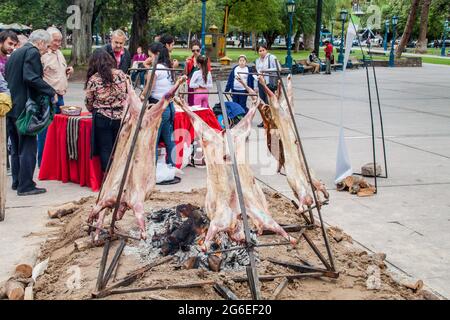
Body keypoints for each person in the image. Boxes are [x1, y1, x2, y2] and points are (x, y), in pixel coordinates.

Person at [5, 30, 56, 196]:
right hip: (24, 109)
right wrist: (50, 91)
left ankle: (17, 182)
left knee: (15, 147)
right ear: (40, 43)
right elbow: (31, 77)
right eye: (46, 46)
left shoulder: (15, 53)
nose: (46, 50)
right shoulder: (32, 52)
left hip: (12, 107)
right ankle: (26, 185)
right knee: (28, 146)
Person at [85, 49, 129, 173]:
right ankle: (119, 175)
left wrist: (93, 107)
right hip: (119, 115)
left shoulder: (94, 79)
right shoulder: (121, 74)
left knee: (105, 149)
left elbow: (89, 101)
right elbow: (127, 93)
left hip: (102, 116)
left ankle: (107, 176)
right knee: (119, 147)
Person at [37, 27, 74, 166]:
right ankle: (42, 162)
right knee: (45, 131)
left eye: (60, 40)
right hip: (48, 97)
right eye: (55, 40)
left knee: (59, 130)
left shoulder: (59, 53)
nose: (58, 43)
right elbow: (38, 78)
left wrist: (68, 71)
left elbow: (59, 74)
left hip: (61, 96)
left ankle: (55, 161)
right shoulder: (42, 55)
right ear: (48, 40)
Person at [140, 42, 177, 167]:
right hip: (169, 106)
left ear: (157, 55)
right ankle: (172, 165)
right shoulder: (168, 67)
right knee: (168, 138)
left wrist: (141, 96)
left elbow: (149, 88)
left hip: (159, 107)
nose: (149, 59)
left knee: (153, 139)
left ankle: (152, 168)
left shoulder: (156, 69)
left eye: (151, 56)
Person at [255, 44, 281, 127]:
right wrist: (256, 86)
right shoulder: (257, 60)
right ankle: (265, 120)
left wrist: (266, 70)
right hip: (261, 82)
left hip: (269, 83)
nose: (262, 52)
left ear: (266, 50)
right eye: (260, 51)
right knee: (263, 103)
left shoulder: (272, 57)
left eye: (263, 50)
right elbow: (257, 72)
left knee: (268, 102)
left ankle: (270, 120)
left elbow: (279, 68)